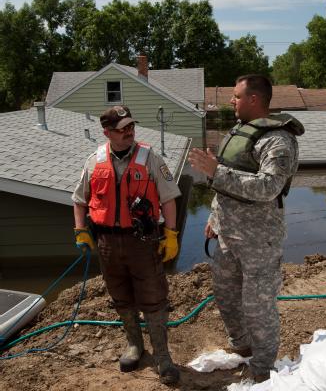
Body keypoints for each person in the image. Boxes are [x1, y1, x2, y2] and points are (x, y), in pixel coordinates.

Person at [188, 74, 304, 382]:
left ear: (254, 99)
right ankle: (242, 346)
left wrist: (216, 171)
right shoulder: (241, 131)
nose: (230, 101)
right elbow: (225, 186)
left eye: (236, 96)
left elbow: (268, 187)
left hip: (259, 242)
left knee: (258, 308)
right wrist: (214, 220)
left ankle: (263, 368)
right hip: (228, 234)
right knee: (225, 295)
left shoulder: (278, 141)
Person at [72, 105, 181, 385]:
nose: (130, 132)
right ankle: (135, 345)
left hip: (142, 241)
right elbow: (79, 200)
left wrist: (171, 234)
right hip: (107, 242)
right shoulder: (94, 160)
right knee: (120, 295)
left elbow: (169, 198)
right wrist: (81, 231)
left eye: (131, 126)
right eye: (123, 129)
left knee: (153, 297)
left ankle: (162, 356)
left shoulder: (150, 158)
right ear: (107, 132)